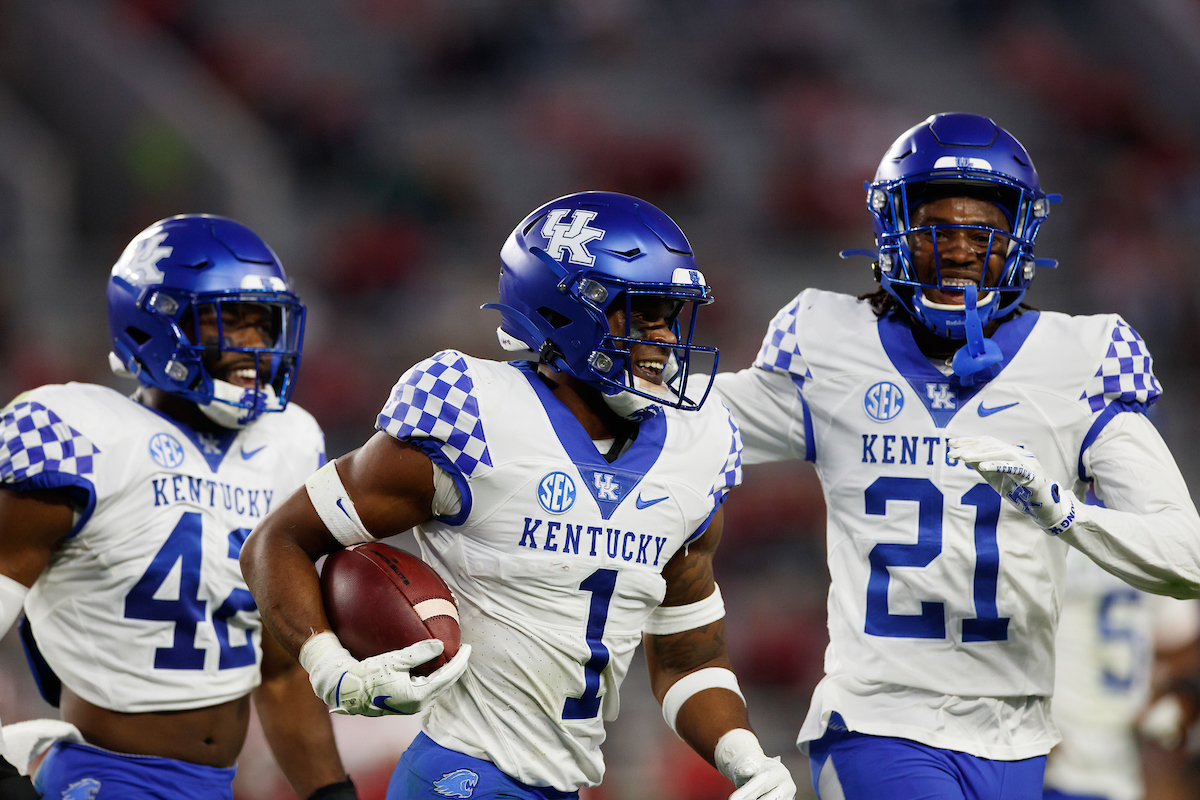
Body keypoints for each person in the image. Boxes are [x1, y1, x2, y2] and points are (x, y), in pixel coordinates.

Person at [240, 191, 798, 800]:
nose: (664, 339)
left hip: (562, 787)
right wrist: (330, 667)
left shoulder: (701, 443)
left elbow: (690, 657)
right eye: (642, 314)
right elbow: (280, 540)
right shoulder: (472, 410)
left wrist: (745, 757)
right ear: (565, 311)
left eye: (672, 315)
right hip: (459, 774)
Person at [712, 112, 1200, 799]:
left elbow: (1186, 559)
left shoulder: (1082, 359)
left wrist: (1062, 514)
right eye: (936, 230)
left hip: (1023, 740)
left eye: (984, 234)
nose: (961, 251)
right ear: (893, 236)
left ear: (1021, 240)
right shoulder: (831, 344)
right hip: (881, 720)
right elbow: (685, 422)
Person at [0, 215, 358, 799]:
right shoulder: (76, 436)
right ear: (154, 325)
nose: (255, 348)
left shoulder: (289, 443)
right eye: (230, 323)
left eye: (264, 325)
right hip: (105, 778)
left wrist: (330, 793)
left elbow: (279, 667)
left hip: (215, 786)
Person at [1043, 546, 1200, 800]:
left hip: (1114, 756)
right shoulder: (1149, 536)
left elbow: (1180, 642)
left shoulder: (1044, 528)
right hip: (1060, 750)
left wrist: (1161, 699)